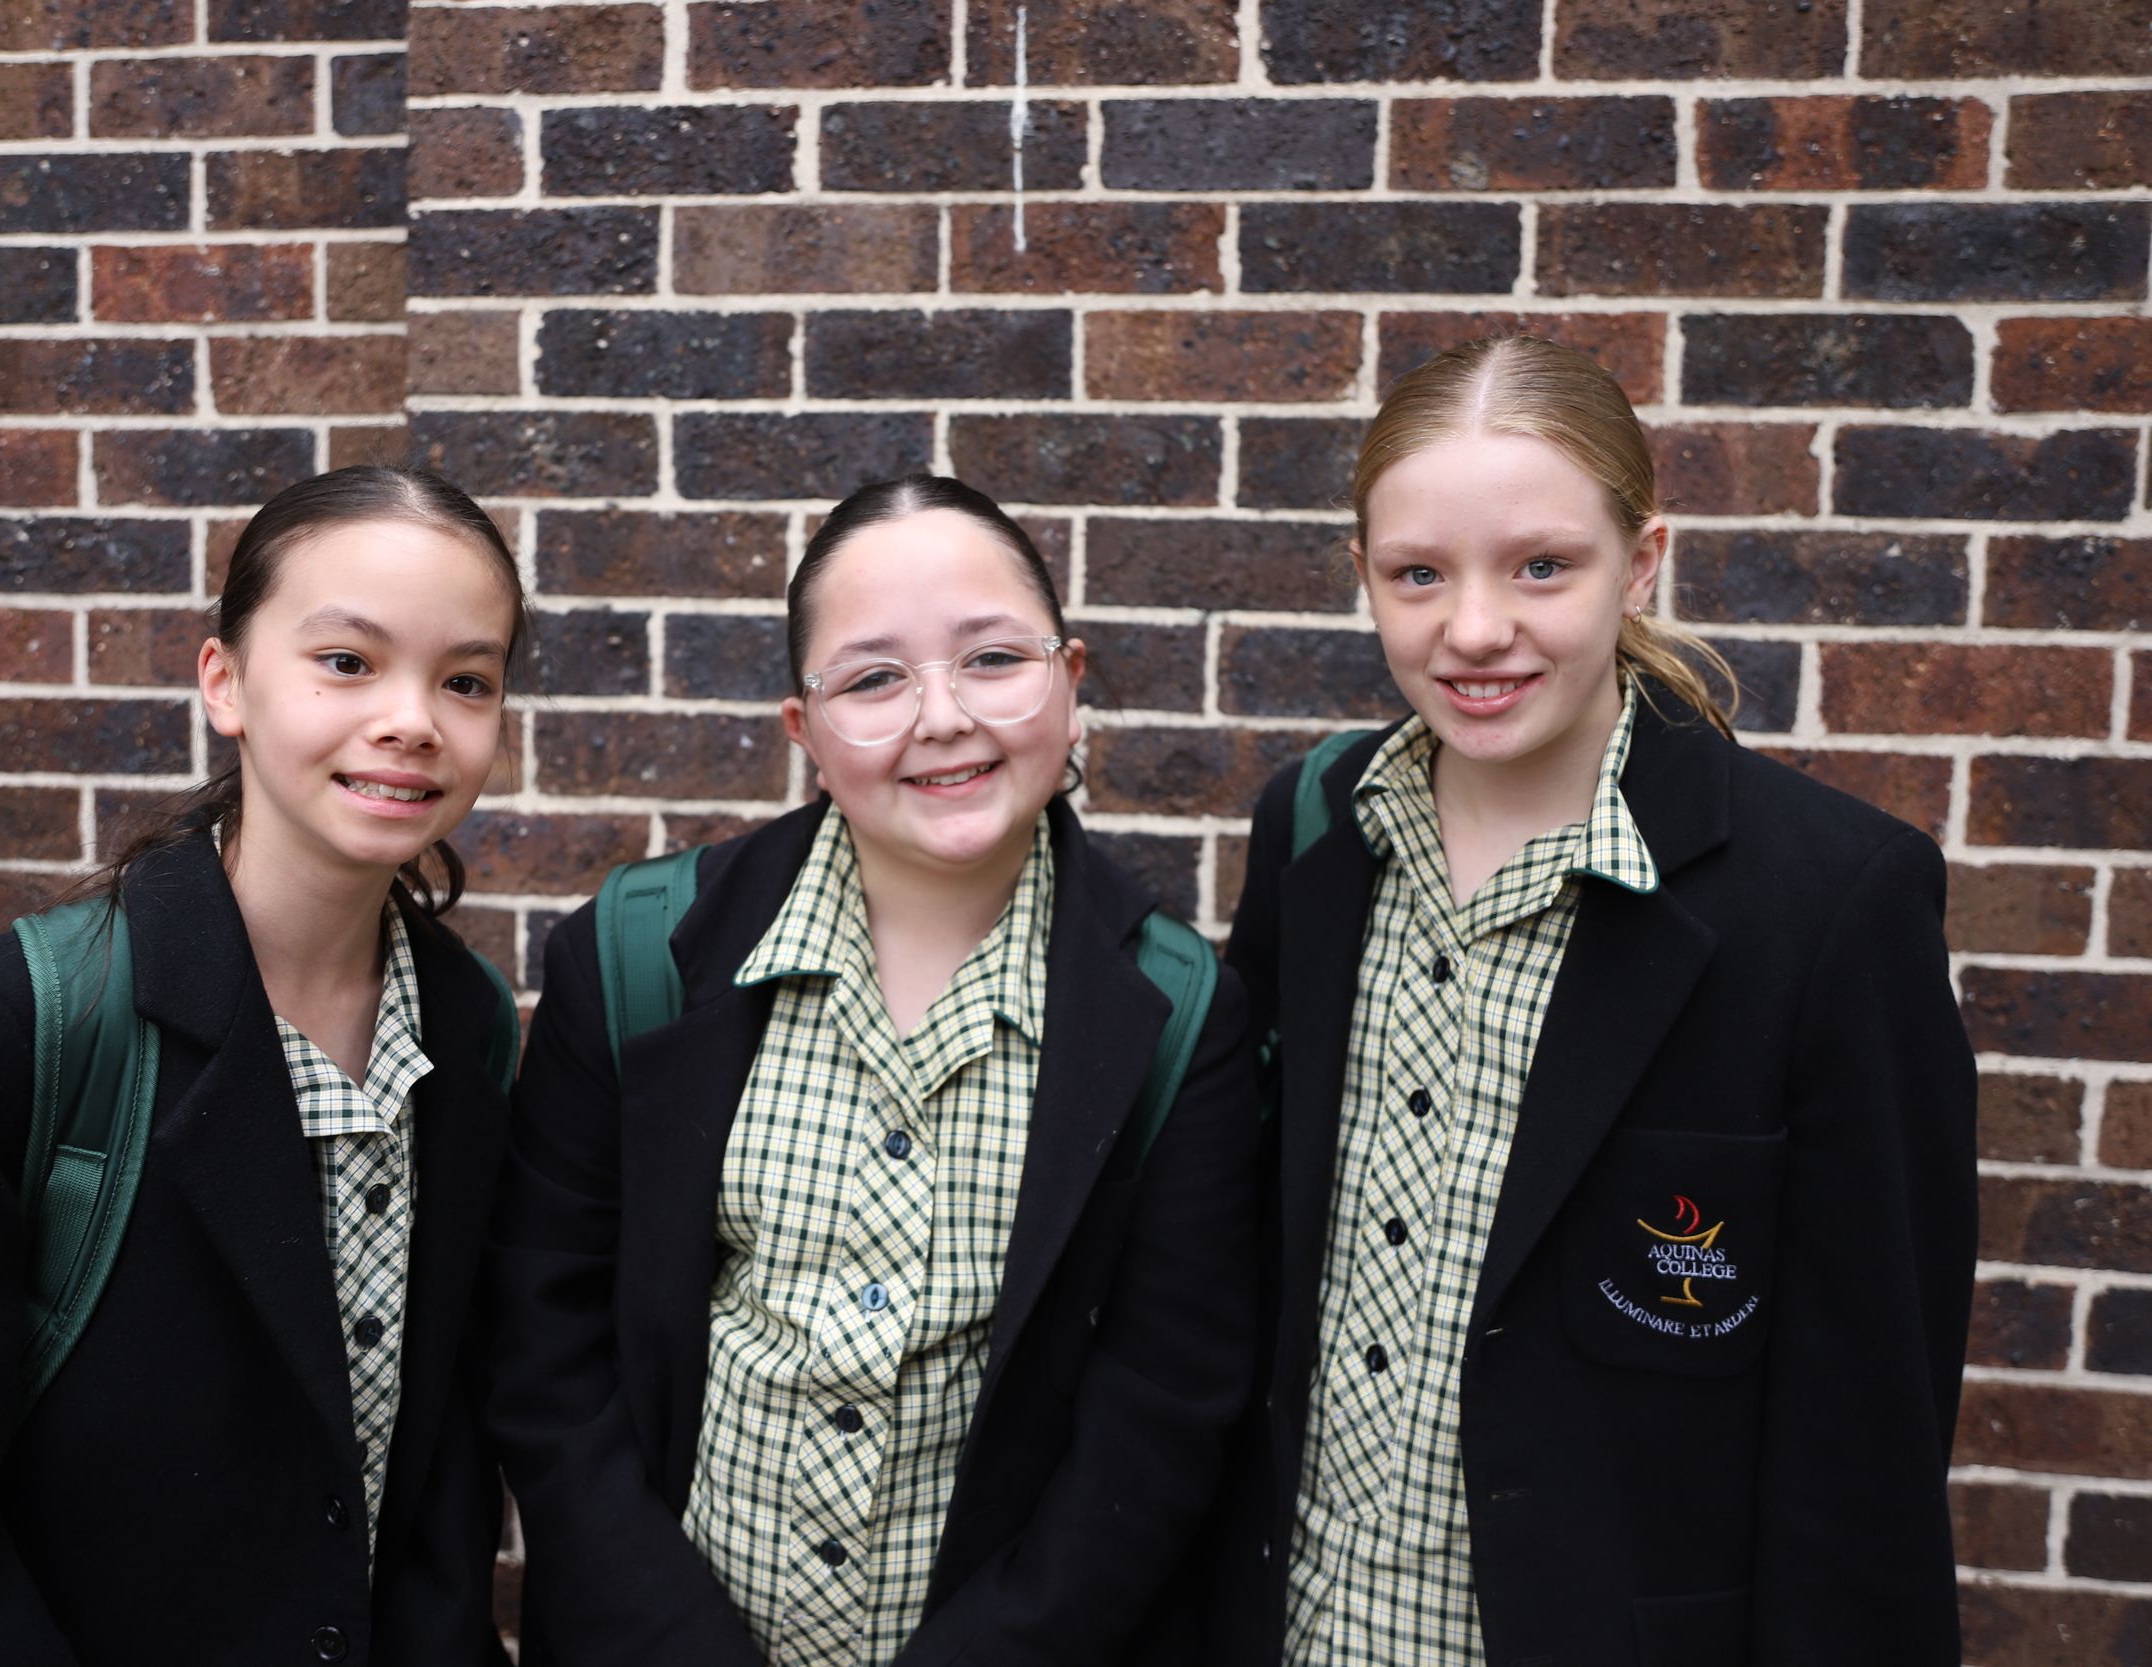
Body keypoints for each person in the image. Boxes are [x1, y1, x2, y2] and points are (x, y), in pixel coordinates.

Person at [1212, 337, 1977, 1667]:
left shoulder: (1829, 902)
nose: (1474, 628)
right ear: (1363, 574)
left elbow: (1868, 1429)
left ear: (1642, 561)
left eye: (1541, 565)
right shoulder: (1316, 833)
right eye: (1418, 573)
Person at [488, 474, 1262, 1667]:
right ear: (803, 730)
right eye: (872, 679)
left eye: (992, 659)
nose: (941, 716)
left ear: (1070, 679)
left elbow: (1159, 1410)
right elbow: (547, 1343)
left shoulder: (1174, 1013)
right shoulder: (638, 956)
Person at [0, 466, 529, 1666]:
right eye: (347, 661)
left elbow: (436, 1440)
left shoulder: (465, 1020)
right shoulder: (16, 1024)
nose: (413, 718)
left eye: (466, 679)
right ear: (225, 681)